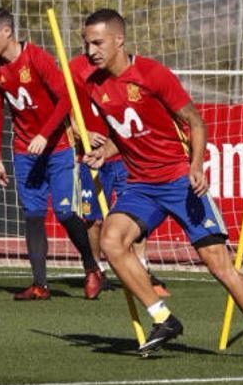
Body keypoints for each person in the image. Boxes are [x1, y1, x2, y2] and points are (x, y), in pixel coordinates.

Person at [75, 8, 243, 360]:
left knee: (219, 265)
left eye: (97, 42)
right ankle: (163, 318)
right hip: (140, 186)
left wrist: (196, 165)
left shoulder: (153, 74)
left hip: (179, 181)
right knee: (111, 241)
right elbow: (125, 131)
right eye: (86, 43)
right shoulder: (95, 86)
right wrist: (104, 151)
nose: (91, 50)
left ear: (118, 40)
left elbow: (195, 122)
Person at [0, 7, 101, 300]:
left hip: (58, 148)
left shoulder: (37, 58)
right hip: (25, 153)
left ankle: (92, 268)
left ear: (7, 32)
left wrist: (44, 133)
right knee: (33, 215)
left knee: (64, 211)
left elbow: (65, 100)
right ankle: (40, 284)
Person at [69, 56, 170, 297]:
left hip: (126, 156)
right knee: (93, 219)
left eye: (99, 41)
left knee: (136, 216)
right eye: (91, 41)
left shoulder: (122, 67)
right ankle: (96, 269)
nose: (95, 47)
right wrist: (80, 132)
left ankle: (142, 268)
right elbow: (63, 107)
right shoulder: (74, 69)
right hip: (91, 157)